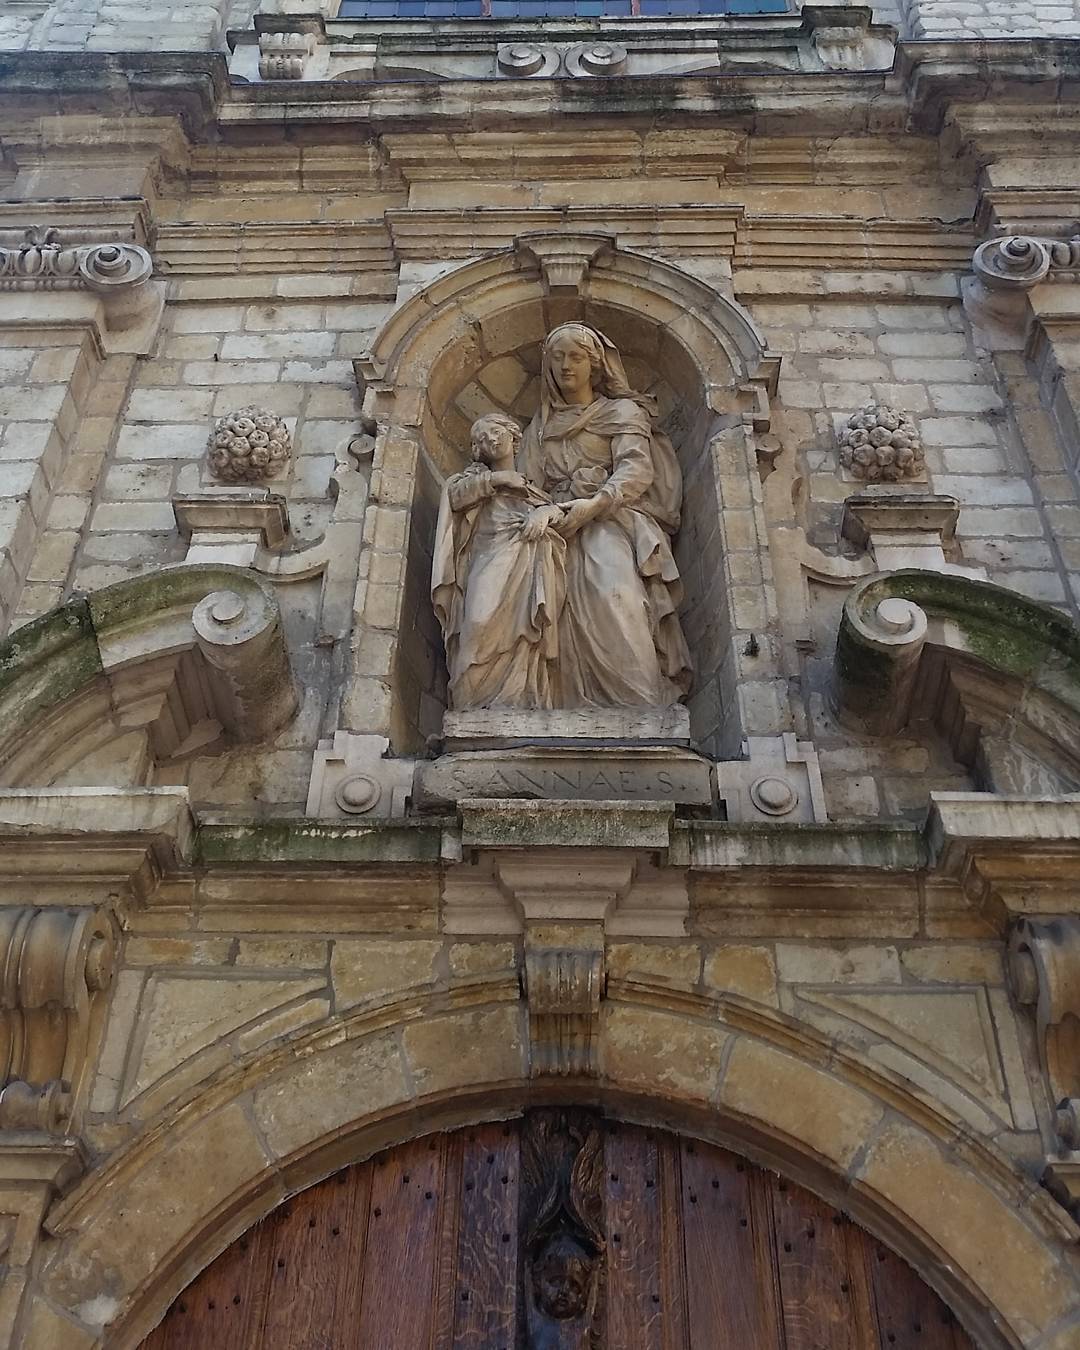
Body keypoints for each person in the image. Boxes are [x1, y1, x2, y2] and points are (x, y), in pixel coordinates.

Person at [517, 322, 692, 708]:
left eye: (576, 357)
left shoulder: (621, 412)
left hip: (611, 520)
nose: (566, 366)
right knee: (540, 607)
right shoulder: (539, 429)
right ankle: (552, 703)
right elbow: (525, 484)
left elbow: (636, 470)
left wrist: (593, 504)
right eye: (558, 357)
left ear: (595, 365)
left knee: (614, 594)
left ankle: (641, 705)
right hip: (553, 528)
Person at [431, 411, 566, 710]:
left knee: (526, 637)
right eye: (481, 438)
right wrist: (497, 480)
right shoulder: (474, 480)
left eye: (495, 432)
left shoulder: (532, 489)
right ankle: (469, 706)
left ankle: (521, 701)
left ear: (514, 438)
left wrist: (545, 513)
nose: (490, 439)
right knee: (478, 621)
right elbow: (455, 496)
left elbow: (560, 515)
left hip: (528, 564)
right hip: (489, 557)